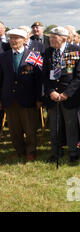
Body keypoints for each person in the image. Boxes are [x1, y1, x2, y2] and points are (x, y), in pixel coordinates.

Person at [42, 26, 80, 165]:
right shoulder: (48, 52)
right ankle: (56, 152)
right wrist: (51, 92)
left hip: (70, 97)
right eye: (50, 37)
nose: (51, 40)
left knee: (71, 126)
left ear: (64, 39)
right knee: (54, 127)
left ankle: (73, 152)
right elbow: (44, 75)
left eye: (54, 38)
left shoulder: (76, 51)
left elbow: (79, 76)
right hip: (53, 97)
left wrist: (66, 94)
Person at [0, 28, 42, 161]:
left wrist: (39, 98)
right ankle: (19, 150)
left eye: (16, 38)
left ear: (24, 40)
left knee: (30, 128)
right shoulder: (3, 57)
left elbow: (40, 80)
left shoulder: (34, 56)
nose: (13, 41)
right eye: (11, 38)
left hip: (28, 99)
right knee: (14, 128)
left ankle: (30, 151)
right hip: (9, 99)